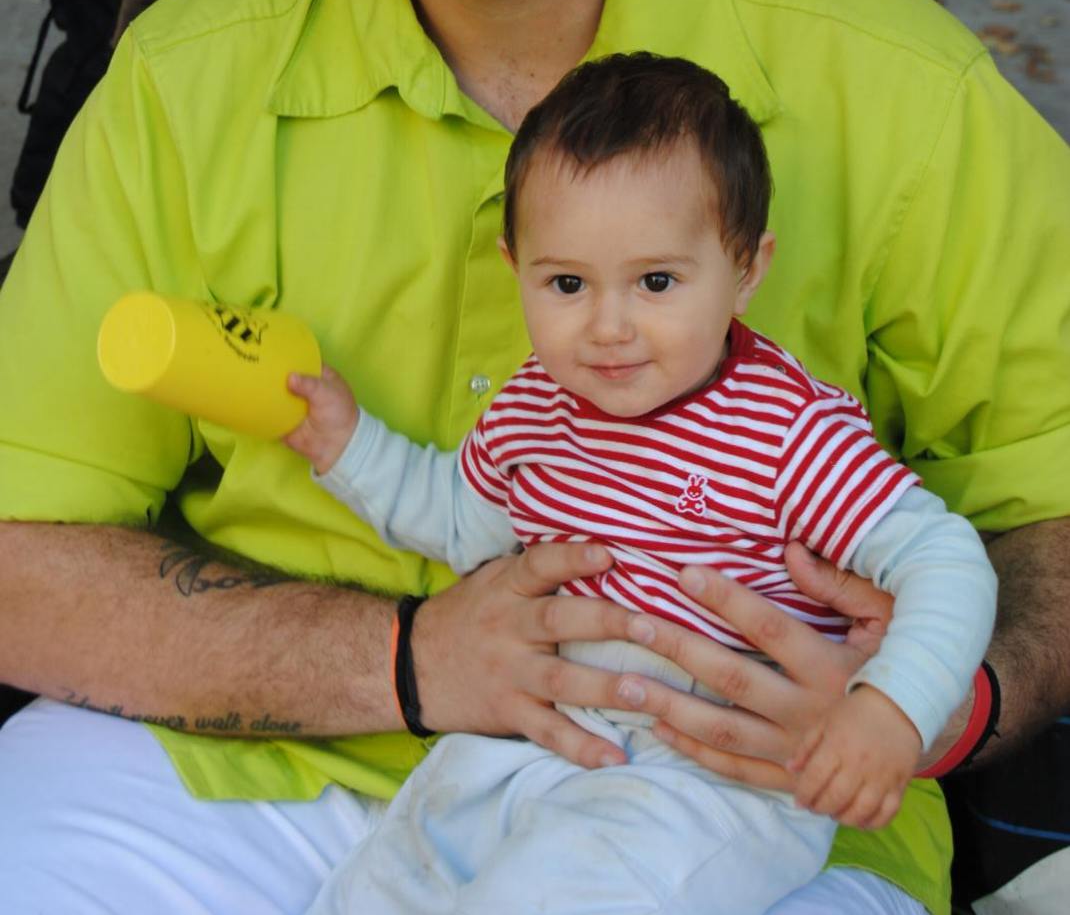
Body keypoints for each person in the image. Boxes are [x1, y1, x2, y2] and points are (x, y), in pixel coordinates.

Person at [0, 0, 1067, 915]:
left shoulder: (891, 82)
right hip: (250, 751)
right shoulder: (189, 75)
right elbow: (21, 546)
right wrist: (399, 660)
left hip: (742, 791)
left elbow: (1049, 494)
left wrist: (938, 701)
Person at [282, 52, 997, 915]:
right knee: (382, 884)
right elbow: (457, 520)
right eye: (567, 283)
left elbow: (943, 559)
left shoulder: (784, 432)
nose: (609, 326)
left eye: (656, 281)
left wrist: (890, 709)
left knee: (551, 899)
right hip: (543, 731)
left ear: (746, 269)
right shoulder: (535, 407)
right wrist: (347, 444)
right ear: (516, 265)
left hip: (714, 774)